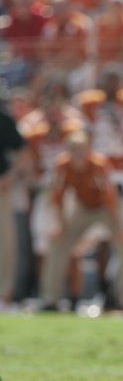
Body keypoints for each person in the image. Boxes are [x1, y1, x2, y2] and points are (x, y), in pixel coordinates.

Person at [41, 130, 123, 311]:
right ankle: (50, 298)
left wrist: (120, 229)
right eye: (74, 150)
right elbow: (57, 198)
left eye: (81, 149)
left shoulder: (98, 165)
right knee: (58, 245)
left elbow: (111, 199)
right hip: (83, 207)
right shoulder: (63, 165)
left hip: (107, 209)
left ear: (88, 150)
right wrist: (61, 226)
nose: (78, 154)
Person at [0, 80, 27, 308]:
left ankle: (4, 294)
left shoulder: (4, 120)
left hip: (1, 188)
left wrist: (9, 177)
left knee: (5, 242)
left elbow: (22, 152)